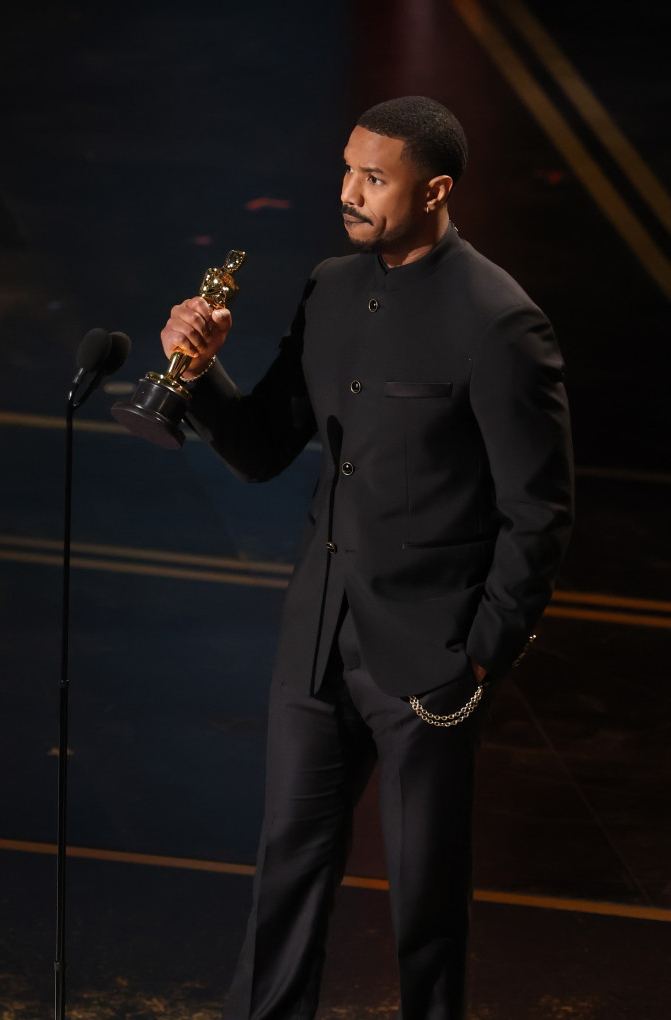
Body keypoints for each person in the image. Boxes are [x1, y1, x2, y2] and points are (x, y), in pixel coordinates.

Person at [160, 96, 574, 1020]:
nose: (348, 192)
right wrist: (201, 370)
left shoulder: (501, 321)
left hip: (430, 657)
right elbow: (263, 449)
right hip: (317, 640)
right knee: (287, 870)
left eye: (374, 178)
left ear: (434, 190)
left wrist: (480, 655)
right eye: (347, 169)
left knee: (426, 897)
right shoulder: (331, 287)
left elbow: (539, 513)